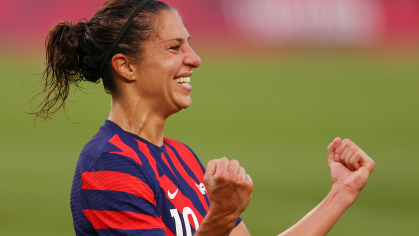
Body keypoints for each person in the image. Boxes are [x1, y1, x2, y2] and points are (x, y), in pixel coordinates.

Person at [33, 0, 375, 235]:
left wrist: (340, 193)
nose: (195, 59)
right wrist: (220, 218)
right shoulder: (109, 165)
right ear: (126, 66)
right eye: (174, 47)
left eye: (190, 45)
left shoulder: (181, 158)